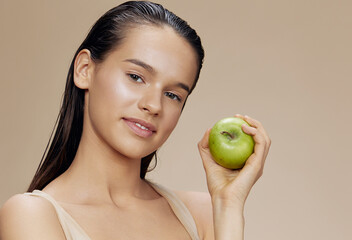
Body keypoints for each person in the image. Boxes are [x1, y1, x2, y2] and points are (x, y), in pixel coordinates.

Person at [0, 1, 271, 239]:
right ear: (84, 70)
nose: (153, 105)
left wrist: (228, 205)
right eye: (136, 77)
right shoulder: (31, 216)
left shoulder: (204, 215)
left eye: (172, 95)